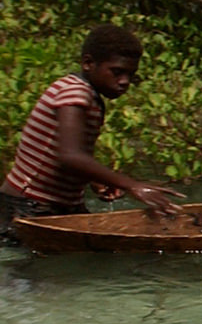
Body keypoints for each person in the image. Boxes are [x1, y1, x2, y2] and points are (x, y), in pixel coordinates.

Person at [2, 24, 184, 243]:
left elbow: (63, 152)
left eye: (130, 74)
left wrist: (95, 180)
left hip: (58, 205)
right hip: (30, 205)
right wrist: (133, 185)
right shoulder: (75, 93)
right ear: (88, 63)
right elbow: (70, 156)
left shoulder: (84, 92)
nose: (124, 81)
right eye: (117, 72)